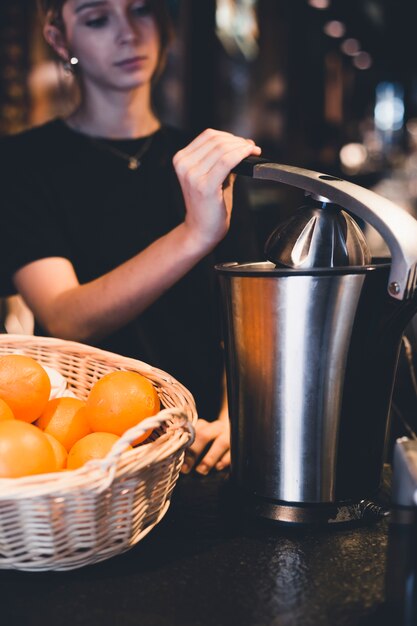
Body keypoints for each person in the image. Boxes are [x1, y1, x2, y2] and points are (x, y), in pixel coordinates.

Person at [0, 0, 261, 474]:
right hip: (84, 452)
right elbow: (65, 317)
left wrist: (234, 416)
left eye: (141, 11)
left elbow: (245, 317)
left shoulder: (204, 162)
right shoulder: (22, 163)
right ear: (60, 40)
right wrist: (193, 234)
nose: (128, 33)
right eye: (97, 18)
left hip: (200, 449)